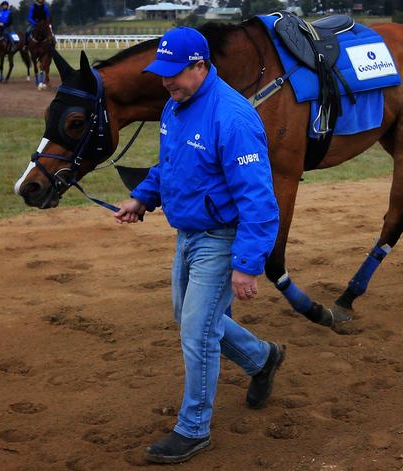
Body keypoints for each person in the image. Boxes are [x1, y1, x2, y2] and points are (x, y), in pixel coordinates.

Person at [114, 27, 284, 464]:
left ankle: (193, 429)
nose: (166, 81)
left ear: (200, 65)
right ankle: (262, 358)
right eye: (162, 73)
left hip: (221, 239)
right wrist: (143, 196)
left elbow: (259, 200)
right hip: (187, 234)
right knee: (189, 317)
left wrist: (247, 264)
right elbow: (171, 164)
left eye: (175, 73)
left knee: (197, 331)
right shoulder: (175, 106)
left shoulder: (233, 117)